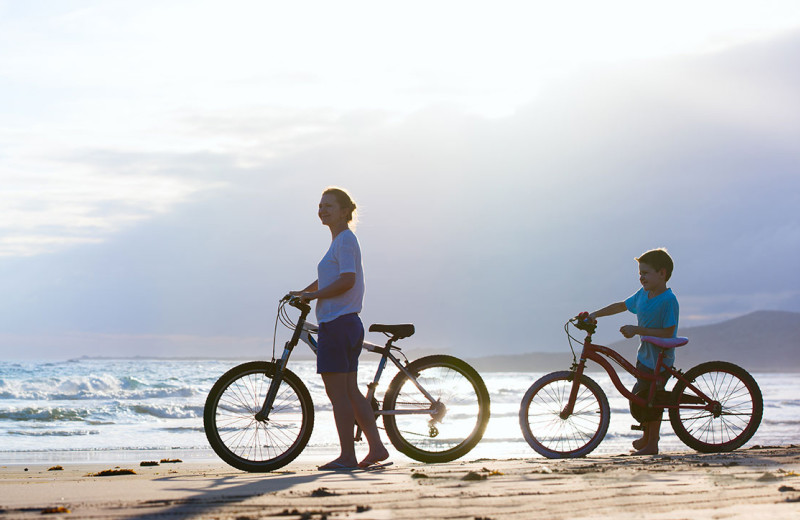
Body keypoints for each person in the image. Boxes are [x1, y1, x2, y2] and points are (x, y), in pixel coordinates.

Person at [290, 187, 390, 471]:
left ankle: (348, 456)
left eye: (329, 206)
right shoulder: (340, 242)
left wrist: (312, 297)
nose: (322, 210)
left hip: (338, 324)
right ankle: (377, 448)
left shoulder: (345, 240)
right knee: (351, 392)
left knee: (339, 396)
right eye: (320, 206)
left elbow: (347, 280)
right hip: (346, 323)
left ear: (345, 211)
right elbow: (330, 279)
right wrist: (303, 291)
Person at [588, 248, 679, 456]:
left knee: (652, 399)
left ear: (662, 273)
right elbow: (621, 305)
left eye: (645, 273)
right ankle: (646, 438)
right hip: (645, 357)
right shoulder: (643, 295)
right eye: (640, 273)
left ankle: (652, 444)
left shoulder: (668, 300)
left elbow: (667, 332)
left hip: (661, 359)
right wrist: (596, 314)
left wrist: (636, 329)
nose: (641, 278)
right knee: (640, 397)